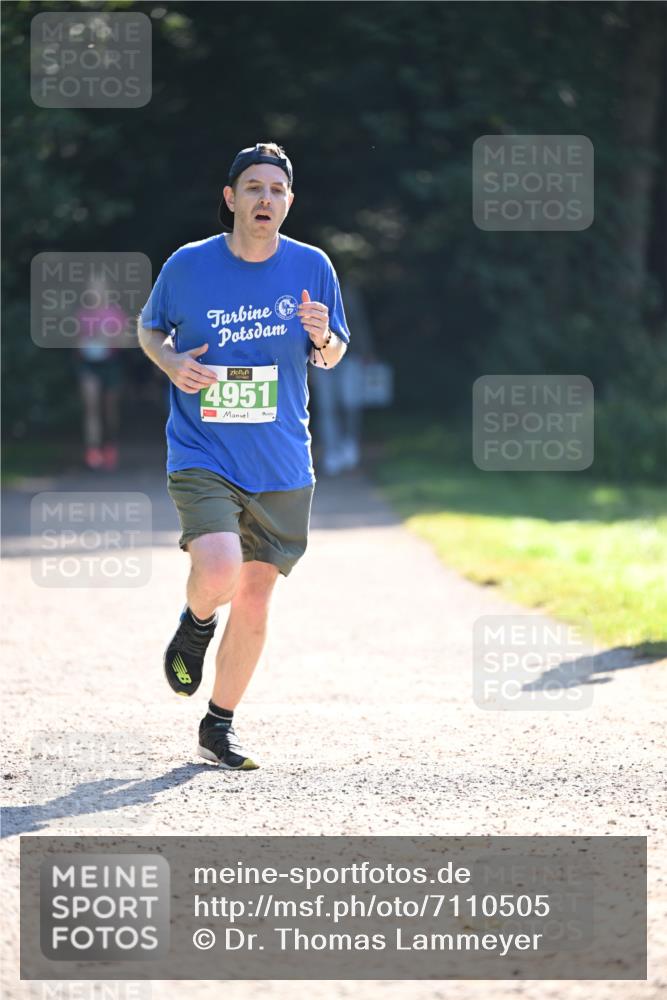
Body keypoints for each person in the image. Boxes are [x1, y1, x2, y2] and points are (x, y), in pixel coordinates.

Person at [137, 142, 350, 770]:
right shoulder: (188, 264)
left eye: (277, 190)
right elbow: (150, 327)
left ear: (289, 202)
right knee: (220, 568)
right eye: (254, 187)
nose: (266, 198)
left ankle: (219, 726)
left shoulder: (312, 266)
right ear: (231, 198)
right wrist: (170, 361)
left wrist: (321, 336)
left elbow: (333, 353)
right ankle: (198, 620)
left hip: (282, 461)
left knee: (255, 598)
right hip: (203, 449)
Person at [309, 278, 375, 475]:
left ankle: (349, 444)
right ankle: (332, 451)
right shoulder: (310, 288)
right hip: (319, 358)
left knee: (350, 404)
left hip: (349, 357)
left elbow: (359, 324)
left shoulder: (348, 291)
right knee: (326, 407)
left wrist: (366, 352)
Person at [77, 274, 125, 470]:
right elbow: (76, 342)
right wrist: (84, 344)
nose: (95, 292)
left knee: (109, 409)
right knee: (91, 406)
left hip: (110, 363)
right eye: (92, 288)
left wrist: (109, 338)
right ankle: (93, 450)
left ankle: (110, 445)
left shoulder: (115, 314)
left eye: (99, 288)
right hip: (89, 365)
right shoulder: (82, 314)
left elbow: (125, 340)